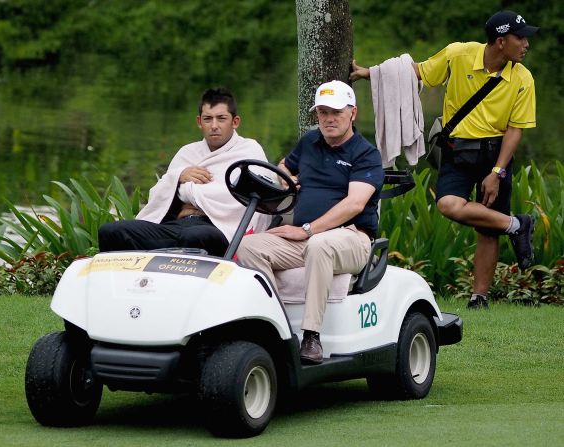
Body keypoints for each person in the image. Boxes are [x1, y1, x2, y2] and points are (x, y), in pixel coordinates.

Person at [350, 10, 538, 309]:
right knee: (448, 204)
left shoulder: (523, 77)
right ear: (501, 41)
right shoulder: (458, 54)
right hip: (457, 150)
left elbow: (515, 130)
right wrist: (368, 73)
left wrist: (497, 171)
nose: (527, 44)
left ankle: (479, 297)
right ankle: (517, 224)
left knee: (489, 228)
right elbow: (415, 71)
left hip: (495, 155)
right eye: (521, 37)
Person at [236, 80, 384, 364]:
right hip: (307, 238)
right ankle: (274, 328)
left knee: (319, 245)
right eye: (323, 112)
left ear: (353, 112)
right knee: (249, 245)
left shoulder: (365, 154)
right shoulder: (309, 142)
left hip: (351, 239)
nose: (329, 119)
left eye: (336, 112)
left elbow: (355, 203)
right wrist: (286, 178)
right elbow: (283, 165)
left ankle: (311, 337)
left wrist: (306, 230)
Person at [99, 87, 271, 256]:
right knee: (112, 231)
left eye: (221, 118)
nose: (214, 126)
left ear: (235, 122)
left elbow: (246, 199)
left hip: (220, 230)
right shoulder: (187, 152)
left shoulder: (249, 150)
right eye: (208, 119)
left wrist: (189, 192)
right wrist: (178, 176)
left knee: (194, 236)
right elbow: (159, 196)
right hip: (178, 226)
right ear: (199, 122)